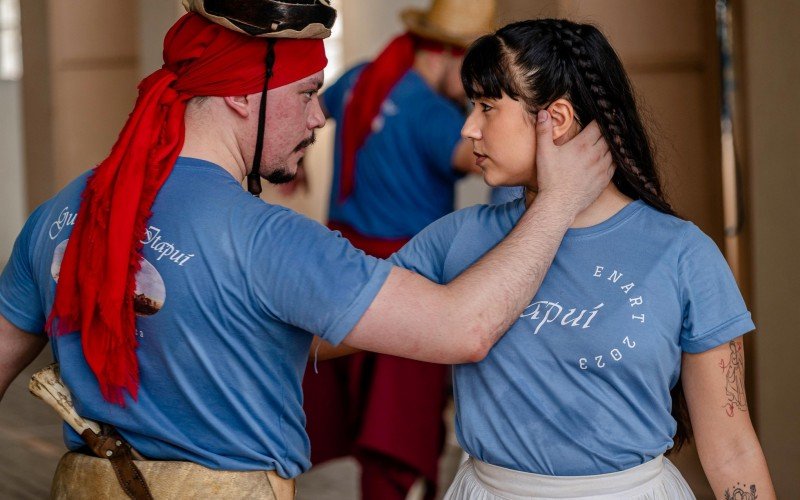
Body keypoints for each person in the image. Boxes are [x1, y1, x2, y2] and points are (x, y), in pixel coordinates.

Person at [0, 4, 613, 498]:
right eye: (306, 93)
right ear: (243, 96)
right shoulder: (270, 240)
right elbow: (465, 329)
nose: (321, 116)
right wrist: (558, 202)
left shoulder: (66, 208)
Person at [389, 19, 776, 499]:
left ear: (558, 118)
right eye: (471, 106)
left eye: (488, 107)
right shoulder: (455, 240)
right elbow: (342, 315)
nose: (469, 128)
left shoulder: (683, 252)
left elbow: (733, 448)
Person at [299, 1, 494, 497]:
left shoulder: (364, 78)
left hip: (340, 270)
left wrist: (297, 163)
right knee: (394, 424)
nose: (477, 96)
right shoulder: (434, 115)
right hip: (402, 284)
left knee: (359, 405)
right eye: (475, 77)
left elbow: (312, 110)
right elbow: (491, 159)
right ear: (448, 55)